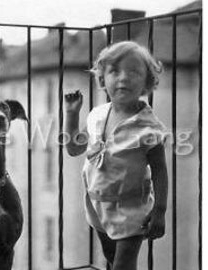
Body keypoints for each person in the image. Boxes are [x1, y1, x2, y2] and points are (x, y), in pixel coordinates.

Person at [64, 41, 168, 270]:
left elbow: (160, 170)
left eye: (134, 72)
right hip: (97, 206)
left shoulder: (149, 128)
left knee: (123, 265)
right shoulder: (96, 115)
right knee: (111, 258)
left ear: (147, 83)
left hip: (132, 209)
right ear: (102, 80)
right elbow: (73, 148)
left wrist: (159, 211)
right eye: (114, 71)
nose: (123, 78)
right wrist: (71, 115)